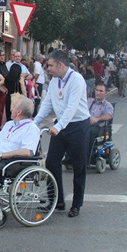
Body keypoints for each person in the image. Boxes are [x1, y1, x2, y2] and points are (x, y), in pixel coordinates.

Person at [33, 49, 90, 218]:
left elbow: (72, 107)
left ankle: (77, 204)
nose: (47, 69)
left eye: (50, 66)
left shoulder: (76, 80)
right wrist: (34, 123)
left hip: (78, 126)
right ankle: (56, 200)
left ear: (60, 65)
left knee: (79, 166)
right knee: (52, 162)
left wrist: (59, 126)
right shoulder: (54, 81)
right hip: (61, 125)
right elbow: (47, 103)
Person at [87, 81, 114, 150]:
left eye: (101, 91)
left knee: (89, 133)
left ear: (105, 93)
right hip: (86, 124)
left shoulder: (107, 105)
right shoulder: (89, 102)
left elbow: (108, 115)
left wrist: (97, 119)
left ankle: (87, 156)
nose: (98, 93)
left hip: (99, 128)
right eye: (97, 90)